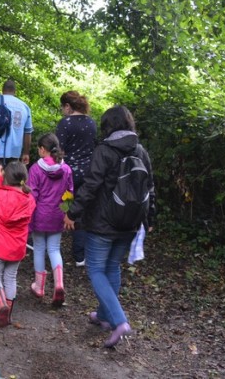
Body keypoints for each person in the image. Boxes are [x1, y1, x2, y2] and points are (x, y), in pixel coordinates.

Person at [64, 105, 156, 348]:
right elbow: (150, 188)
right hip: (130, 223)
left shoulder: (104, 150)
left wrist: (73, 213)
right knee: (112, 266)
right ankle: (105, 316)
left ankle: (119, 321)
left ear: (108, 126)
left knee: (95, 269)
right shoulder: (141, 150)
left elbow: (91, 186)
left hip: (103, 223)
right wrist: (150, 220)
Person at [0, 162, 36, 327]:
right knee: (11, 277)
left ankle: (1, 304)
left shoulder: (0, 196)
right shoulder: (29, 199)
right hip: (17, 246)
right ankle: (8, 312)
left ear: (6, 178)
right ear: (24, 178)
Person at [26, 133, 73, 307]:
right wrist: (67, 213)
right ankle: (59, 283)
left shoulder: (35, 169)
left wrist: (28, 217)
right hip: (58, 214)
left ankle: (39, 286)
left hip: (40, 214)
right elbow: (70, 193)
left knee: (39, 248)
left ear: (42, 150)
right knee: (54, 249)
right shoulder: (66, 169)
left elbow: (33, 195)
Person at [57, 91, 98, 267]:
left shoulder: (65, 123)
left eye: (63, 107)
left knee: (63, 206)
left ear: (68, 106)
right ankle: (80, 255)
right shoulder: (91, 122)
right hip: (88, 173)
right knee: (80, 211)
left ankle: (52, 247)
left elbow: (59, 151)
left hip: (69, 174)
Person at [0, 79, 34, 177]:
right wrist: (26, 153)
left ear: (2, 90)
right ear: (15, 91)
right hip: (15, 153)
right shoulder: (25, 107)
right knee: (11, 183)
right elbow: (28, 132)